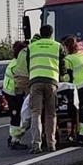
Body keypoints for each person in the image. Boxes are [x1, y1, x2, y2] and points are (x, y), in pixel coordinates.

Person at [26, 24, 64, 153]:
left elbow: (28, 64)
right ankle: (51, 144)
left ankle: (36, 145)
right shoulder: (57, 46)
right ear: (51, 34)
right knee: (51, 114)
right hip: (51, 82)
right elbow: (63, 66)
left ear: (40, 33)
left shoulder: (31, 47)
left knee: (35, 113)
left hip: (35, 81)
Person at [62, 36, 83, 146]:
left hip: (82, 86)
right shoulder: (82, 55)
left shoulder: (68, 60)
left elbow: (67, 78)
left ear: (67, 47)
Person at [3, 41, 29, 149]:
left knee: (16, 117)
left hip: (10, 92)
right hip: (14, 93)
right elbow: (22, 79)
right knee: (18, 117)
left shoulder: (14, 62)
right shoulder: (18, 64)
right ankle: (14, 140)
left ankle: (13, 139)